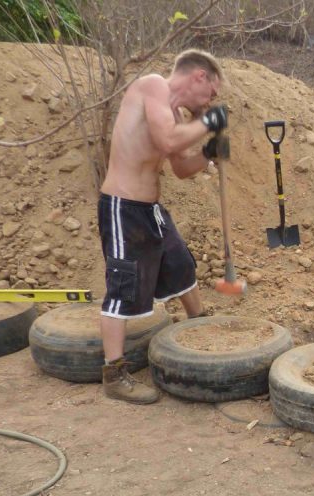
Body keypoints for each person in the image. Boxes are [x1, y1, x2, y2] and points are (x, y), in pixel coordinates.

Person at [98, 49, 230, 404]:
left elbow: (181, 168)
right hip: (122, 207)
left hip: (149, 209)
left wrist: (208, 153)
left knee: (181, 264)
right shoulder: (153, 86)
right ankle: (114, 374)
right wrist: (209, 121)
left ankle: (198, 324)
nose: (210, 100)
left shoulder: (171, 114)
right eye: (211, 92)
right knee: (123, 287)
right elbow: (168, 140)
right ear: (199, 76)